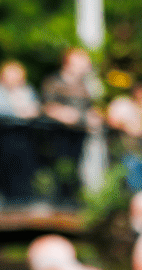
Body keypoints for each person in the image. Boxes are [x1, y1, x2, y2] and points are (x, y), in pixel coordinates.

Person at [42, 47, 101, 208]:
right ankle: (57, 203)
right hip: (58, 135)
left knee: (75, 170)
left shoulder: (85, 86)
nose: (86, 65)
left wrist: (92, 117)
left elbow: (89, 108)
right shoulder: (54, 82)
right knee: (60, 170)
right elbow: (46, 106)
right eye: (82, 62)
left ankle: (73, 202)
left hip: (79, 135)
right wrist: (63, 114)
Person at [0, 60, 40, 208]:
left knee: (24, 169)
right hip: (3, 136)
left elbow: (35, 108)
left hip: (24, 137)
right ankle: (6, 203)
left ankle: (23, 201)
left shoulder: (27, 90)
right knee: (5, 170)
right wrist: (18, 113)